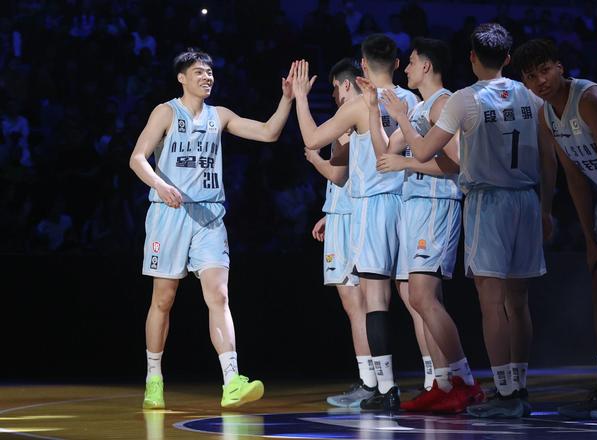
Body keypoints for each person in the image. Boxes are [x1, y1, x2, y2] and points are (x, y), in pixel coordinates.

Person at [380, 23, 556, 418]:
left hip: (489, 201)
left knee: (492, 302)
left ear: (472, 57)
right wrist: (546, 207)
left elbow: (423, 151)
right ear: (508, 58)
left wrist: (401, 118)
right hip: (527, 200)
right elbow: (549, 156)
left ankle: (505, 393)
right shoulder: (530, 96)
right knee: (519, 301)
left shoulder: (463, 99)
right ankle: (518, 386)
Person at [129, 48, 295, 409]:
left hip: (209, 217)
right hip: (169, 213)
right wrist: (160, 184)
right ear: (182, 78)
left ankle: (231, 381)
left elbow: (268, 133)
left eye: (210, 72)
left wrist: (286, 99)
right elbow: (137, 158)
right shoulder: (165, 112)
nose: (207, 77)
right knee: (163, 299)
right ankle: (154, 378)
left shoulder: (219, 116)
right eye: (199, 72)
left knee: (219, 295)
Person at [512, 38, 597, 421]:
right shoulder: (546, 115)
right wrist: (589, 238)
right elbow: (575, 178)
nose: (539, 81)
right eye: (530, 76)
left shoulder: (590, 99)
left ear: (560, 66)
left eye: (544, 70)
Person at [356, 37, 484, 413]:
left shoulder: (443, 102)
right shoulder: (419, 107)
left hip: (435, 202)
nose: (406, 68)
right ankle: (443, 382)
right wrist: (372, 109)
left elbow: (458, 161)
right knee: (419, 298)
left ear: (426, 66)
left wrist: (408, 160)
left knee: (423, 297)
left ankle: (465, 381)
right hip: (415, 204)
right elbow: (384, 154)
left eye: (411, 62)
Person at [292, 34, 419, 410]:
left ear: (363, 64)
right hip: (407, 203)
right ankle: (438, 379)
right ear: (398, 64)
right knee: (418, 298)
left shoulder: (361, 104)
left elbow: (312, 139)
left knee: (374, 300)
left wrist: (300, 97)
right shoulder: (411, 100)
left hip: (372, 206)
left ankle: (385, 387)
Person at [304, 58, 377, 407]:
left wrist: (314, 158)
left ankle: (370, 381)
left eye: (334, 87)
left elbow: (338, 173)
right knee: (362, 303)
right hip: (344, 212)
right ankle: (374, 379)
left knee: (355, 304)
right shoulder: (364, 112)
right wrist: (328, 212)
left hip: (349, 217)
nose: (333, 94)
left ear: (345, 84)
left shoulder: (350, 115)